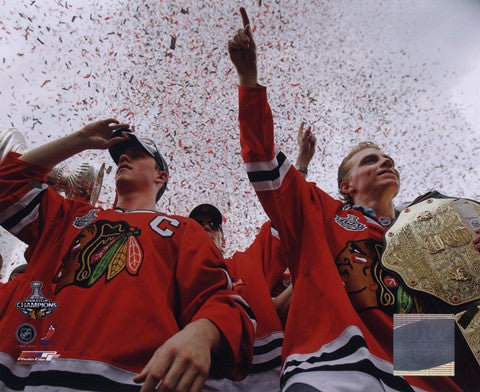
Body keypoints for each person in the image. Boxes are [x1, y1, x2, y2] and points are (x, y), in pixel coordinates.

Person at [228, 8, 466, 392]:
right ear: (346, 185)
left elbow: (451, 312)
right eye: (369, 160)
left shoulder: (427, 232)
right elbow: (266, 164)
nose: (385, 161)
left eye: (387, 158)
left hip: (417, 374)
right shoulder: (323, 213)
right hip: (333, 367)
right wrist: (248, 78)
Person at [0, 119, 255, 392]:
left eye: (137, 155)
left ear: (160, 177)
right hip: (27, 380)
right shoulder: (71, 217)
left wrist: (204, 332)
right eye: (123, 154)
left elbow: (218, 299)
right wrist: (81, 139)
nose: (124, 157)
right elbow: (7, 184)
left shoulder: (181, 229)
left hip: (128, 382)